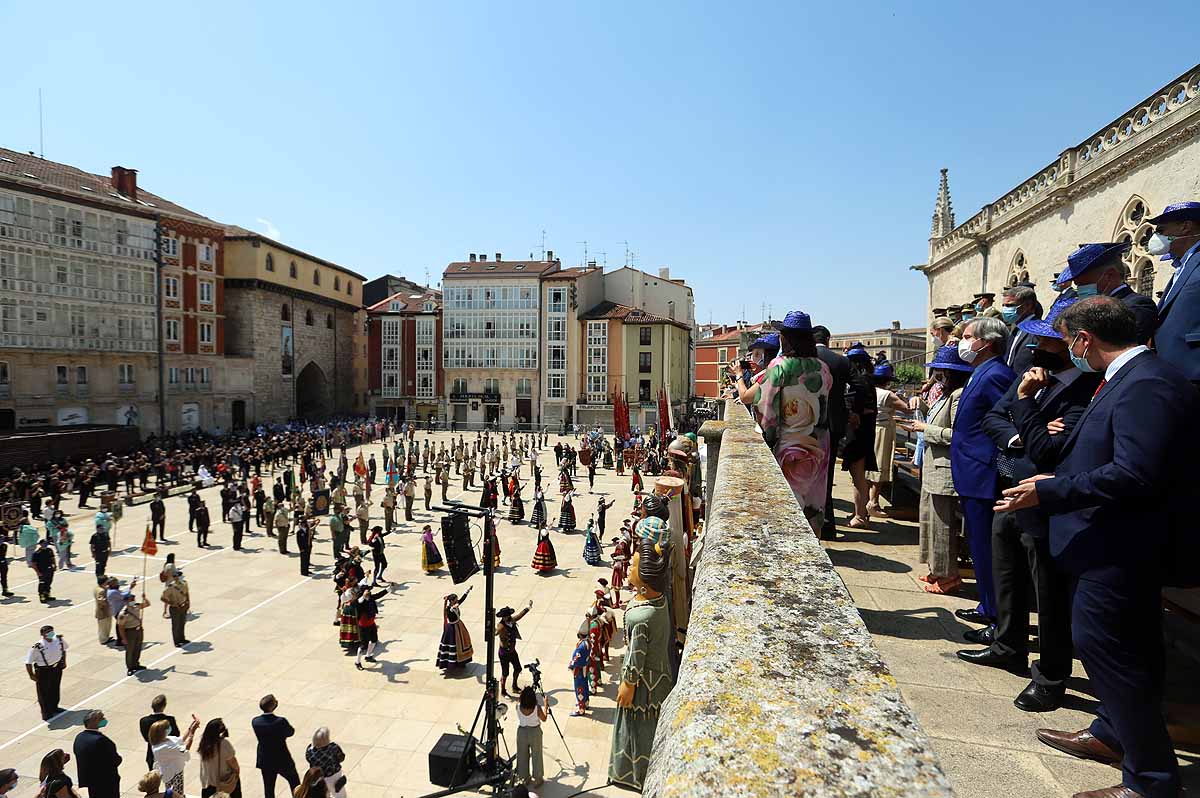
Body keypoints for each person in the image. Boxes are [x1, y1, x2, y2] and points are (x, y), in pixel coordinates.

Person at [996, 297, 1196, 798]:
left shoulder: (1147, 384)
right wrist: (1055, 475)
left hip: (1121, 546)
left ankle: (1151, 781)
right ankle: (1111, 734)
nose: (1069, 351)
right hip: (1112, 541)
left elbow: (1136, 472)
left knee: (1109, 651)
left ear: (1084, 340)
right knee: (1132, 649)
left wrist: (1050, 490)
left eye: (1069, 342)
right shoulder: (1134, 379)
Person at [961, 296, 1096, 712]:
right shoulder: (1031, 379)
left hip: (1048, 503)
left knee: (1049, 591)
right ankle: (1007, 644)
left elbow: (1053, 450)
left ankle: (1051, 676)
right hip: (1014, 490)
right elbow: (995, 420)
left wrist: (1024, 412)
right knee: (1007, 573)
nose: (1037, 351)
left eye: (1047, 344)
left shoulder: (1086, 392)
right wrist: (1023, 431)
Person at [950, 316, 1014, 627]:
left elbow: (1007, 424)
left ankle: (995, 614)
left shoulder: (996, 375)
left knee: (988, 549)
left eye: (966, 336)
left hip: (984, 474)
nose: (961, 342)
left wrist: (1000, 470)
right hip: (971, 471)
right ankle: (986, 604)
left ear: (985, 343)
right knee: (979, 544)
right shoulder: (981, 371)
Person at [900, 345, 970, 593]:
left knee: (943, 525)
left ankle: (948, 576)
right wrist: (921, 408)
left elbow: (957, 434)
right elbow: (936, 419)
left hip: (944, 469)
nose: (937, 376)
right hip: (932, 467)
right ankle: (935, 569)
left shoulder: (959, 395)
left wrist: (923, 428)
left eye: (941, 371)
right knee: (930, 520)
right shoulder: (945, 394)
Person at [1056, 242, 1158, 344]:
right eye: (1078, 285)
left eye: (1085, 284)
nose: (1080, 290)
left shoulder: (1135, 306)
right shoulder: (1092, 307)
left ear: (1110, 275)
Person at [1150, 201, 1200, 383]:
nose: (1156, 236)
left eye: (1161, 230)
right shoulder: (1182, 265)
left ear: (1185, 227)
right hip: (1174, 374)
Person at [812, 325, 852, 539]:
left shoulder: (807, 359)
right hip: (834, 424)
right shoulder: (841, 361)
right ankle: (828, 525)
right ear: (828, 339)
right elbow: (856, 387)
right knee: (827, 476)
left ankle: (815, 523)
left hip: (810, 424)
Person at [840, 344, 877, 529]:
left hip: (857, 433)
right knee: (858, 476)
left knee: (858, 477)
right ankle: (859, 511)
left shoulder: (860, 381)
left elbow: (859, 407)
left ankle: (860, 516)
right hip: (863, 432)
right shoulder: (868, 380)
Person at [865, 362, 908, 517]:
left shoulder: (869, 391)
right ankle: (873, 502)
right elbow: (907, 408)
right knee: (880, 466)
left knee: (868, 467)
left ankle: (866, 500)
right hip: (883, 431)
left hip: (870, 428)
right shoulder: (888, 395)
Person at [252, 694, 301, 798]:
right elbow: (290, 732)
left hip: (265, 760)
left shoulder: (255, 721)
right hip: (282, 758)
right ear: (272, 706)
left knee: (269, 788)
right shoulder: (280, 721)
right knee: (295, 782)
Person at [74, 710, 122, 798]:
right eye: (102, 718)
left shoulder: (79, 737)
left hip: (91, 782)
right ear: (94, 721)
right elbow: (115, 760)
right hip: (106, 781)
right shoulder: (101, 740)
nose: (104, 720)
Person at [150, 714, 201, 796]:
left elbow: (180, 740)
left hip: (176, 770)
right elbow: (184, 749)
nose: (169, 729)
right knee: (176, 795)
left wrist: (190, 728)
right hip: (173, 774)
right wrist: (192, 733)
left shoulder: (165, 739)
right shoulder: (162, 747)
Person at [27, 624, 67, 720]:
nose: (50, 633)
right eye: (47, 632)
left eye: (51, 631)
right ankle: (46, 712)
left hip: (56, 668)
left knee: (55, 688)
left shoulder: (59, 640)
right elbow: (28, 662)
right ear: (42, 634)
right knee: (44, 692)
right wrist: (31, 674)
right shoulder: (38, 646)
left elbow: (64, 650)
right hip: (43, 671)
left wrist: (64, 661)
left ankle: (54, 707)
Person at [1000, 285, 1041, 376]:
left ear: (1028, 305)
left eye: (1010, 305)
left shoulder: (1037, 330)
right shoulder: (1016, 329)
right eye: (1003, 305)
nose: (1005, 309)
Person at [198, 718, 242, 798]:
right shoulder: (224, 744)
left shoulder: (203, 743)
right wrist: (237, 773)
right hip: (223, 783)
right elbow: (233, 763)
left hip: (208, 784)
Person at [496, 601, 532, 696]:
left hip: (512, 651)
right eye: (503, 617)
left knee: (518, 668)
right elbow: (497, 630)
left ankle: (514, 686)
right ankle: (503, 691)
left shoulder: (512, 620)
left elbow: (520, 615)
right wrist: (494, 632)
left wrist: (528, 607)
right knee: (505, 673)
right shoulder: (501, 626)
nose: (505, 618)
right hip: (504, 653)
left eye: (506, 616)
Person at [515, 686, 546, 788]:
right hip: (535, 732)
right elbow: (544, 718)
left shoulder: (518, 706)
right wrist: (546, 705)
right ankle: (538, 778)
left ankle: (524, 777)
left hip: (522, 732)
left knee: (522, 755)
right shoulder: (536, 708)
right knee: (537, 755)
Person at [140, 694, 180, 771]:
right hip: (168, 753)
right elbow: (176, 735)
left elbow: (146, 738)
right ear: (164, 706)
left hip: (152, 753)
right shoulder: (169, 720)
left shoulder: (144, 721)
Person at [436, 589, 474, 671]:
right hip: (453, 629)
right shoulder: (449, 609)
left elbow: (462, 600)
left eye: (457, 599)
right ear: (452, 601)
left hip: (459, 625)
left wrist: (467, 591)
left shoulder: (455, 605)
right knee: (455, 645)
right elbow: (450, 613)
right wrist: (452, 609)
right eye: (455, 600)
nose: (457, 601)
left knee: (462, 643)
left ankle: (462, 661)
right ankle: (453, 663)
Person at [304, 728, 347, 798]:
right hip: (333, 775)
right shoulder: (333, 747)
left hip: (319, 777)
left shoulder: (310, 750)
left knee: (324, 794)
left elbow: (308, 759)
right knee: (339, 793)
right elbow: (341, 757)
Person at [354, 585, 389, 669]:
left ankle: (368, 656)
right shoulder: (359, 600)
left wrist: (389, 588)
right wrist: (363, 595)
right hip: (363, 626)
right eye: (367, 590)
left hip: (371, 624)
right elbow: (359, 601)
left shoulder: (371, 598)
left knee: (373, 641)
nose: (369, 592)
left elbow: (379, 594)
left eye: (369, 590)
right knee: (363, 646)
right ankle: (357, 662)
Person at [119, 590, 151, 674]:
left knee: (138, 648)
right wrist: (123, 638)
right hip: (130, 632)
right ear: (126, 601)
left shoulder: (136, 607)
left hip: (138, 630)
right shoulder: (123, 613)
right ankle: (130, 667)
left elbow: (147, 604)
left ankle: (136, 664)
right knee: (130, 650)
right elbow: (121, 627)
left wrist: (145, 598)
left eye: (133, 599)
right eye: (131, 600)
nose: (133, 601)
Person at [162, 572, 191, 647]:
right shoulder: (171, 587)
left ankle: (182, 638)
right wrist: (172, 603)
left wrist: (188, 602)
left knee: (182, 623)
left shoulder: (184, 583)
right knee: (176, 625)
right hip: (175, 608)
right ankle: (176, 641)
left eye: (179, 576)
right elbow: (162, 598)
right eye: (176, 576)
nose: (178, 578)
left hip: (183, 606)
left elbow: (187, 593)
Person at [569, 629, 591, 716]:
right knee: (585, 686)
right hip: (584, 667)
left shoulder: (581, 646)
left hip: (579, 670)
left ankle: (581, 709)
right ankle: (586, 703)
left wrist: (571, 666)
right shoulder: (588, 642)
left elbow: (576, 658)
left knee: (579, 689)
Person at [33, 537, 57, 602]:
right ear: (40, 544)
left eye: (46, 543)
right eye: (43, 543)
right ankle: (42, 595)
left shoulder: (49, 550)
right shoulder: (37, 553)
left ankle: (47, 594)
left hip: (49, 569)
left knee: (49, 582)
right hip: (42, 570)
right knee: (42, 583)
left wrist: (54, 565)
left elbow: (52, 558)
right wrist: (38, 572)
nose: (45, 545)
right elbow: (34, 564)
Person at [93, 575, 114, 645]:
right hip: (103, 611)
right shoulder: (101, 590)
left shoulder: (97, 588)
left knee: (106, 626)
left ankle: (106, 637)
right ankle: (104, 640)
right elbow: (101, 600)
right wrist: (109, 602)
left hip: (104, 611)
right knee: (104, 626)